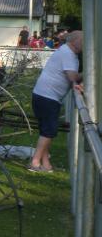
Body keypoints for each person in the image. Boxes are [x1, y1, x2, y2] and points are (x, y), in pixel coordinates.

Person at [29, 30, 83, 173]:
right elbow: (72, 76)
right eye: (83, 40)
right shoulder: (68, 54)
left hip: (41, 94)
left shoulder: (65, 51)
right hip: (48, 97)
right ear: (75, 41)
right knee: (48, 132)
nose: (85, 43)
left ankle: (46, 164)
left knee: (45, 132)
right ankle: (34, 162)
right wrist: (90, 73)